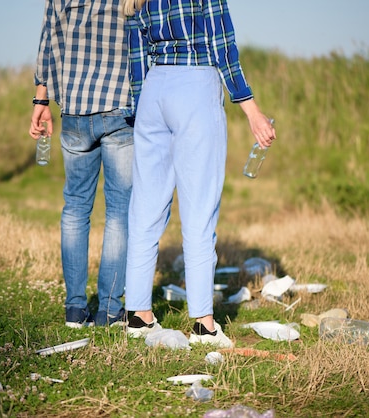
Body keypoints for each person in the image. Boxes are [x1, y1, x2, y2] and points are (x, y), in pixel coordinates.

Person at [123, 0, 276, 347]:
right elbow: (223, 44)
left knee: (145, 207)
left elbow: (136, 56)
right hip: (195, 85)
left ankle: (138, 315)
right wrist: (251, 109)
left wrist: (140, 111)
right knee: (199, 207)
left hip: (153, 89)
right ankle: (204, 326)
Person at [29, 0, 134, 328]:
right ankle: (109, 310)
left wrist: (41, 100)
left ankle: (75, 308)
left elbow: (48, 39)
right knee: (118, 212)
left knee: (75, 208)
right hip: (121, 106)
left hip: (74, 107)